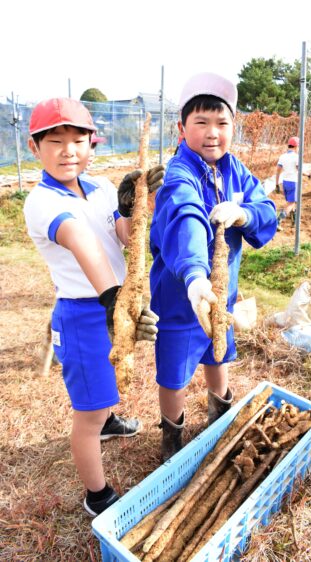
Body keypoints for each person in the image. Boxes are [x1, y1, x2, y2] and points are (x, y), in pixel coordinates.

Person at [23, 98, 163, 516]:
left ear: (91, 144)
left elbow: (118, 236)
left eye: (78, 140)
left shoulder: (99, 186)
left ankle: (107, 419)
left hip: (111, 301)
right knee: (87, 412)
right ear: (35, 148)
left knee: (106, 385)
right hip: (84, 313)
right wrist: (112, 299)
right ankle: (97, 495)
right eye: (56, 141)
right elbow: (81, 242)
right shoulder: (41, 203)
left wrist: (132, 207)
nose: (68, 150)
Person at [149, 72, 277, 461]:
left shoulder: (236, 170)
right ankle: (172, 438)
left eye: (222, 123)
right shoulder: (179, 174)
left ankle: (219, 418)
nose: (212, 133)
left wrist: (245, 214)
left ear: (233, 126)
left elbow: (267, 211)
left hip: (223, 297)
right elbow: (186, 216)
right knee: (174, 373)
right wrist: (193, 277)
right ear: (181, 127)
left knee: (218, 354)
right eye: (200, 122)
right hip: (182, 297)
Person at [275, 136, 299, 231]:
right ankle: (278, 221)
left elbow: (278, 171)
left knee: (292, 202)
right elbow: (299, 169)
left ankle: (294, 221)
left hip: (285, 182)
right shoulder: (296, 157)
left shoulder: (283, 156)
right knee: (291, 203)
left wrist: (276, 184)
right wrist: (307, 173)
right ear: (296, 146)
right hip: (294, 182)